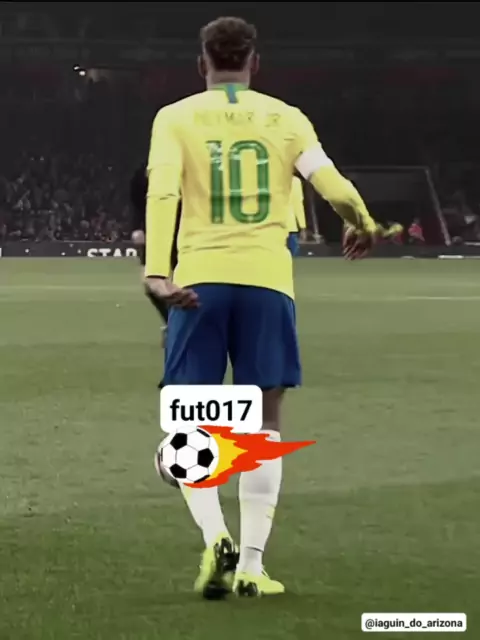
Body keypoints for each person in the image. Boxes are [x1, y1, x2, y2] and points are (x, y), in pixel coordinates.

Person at [144, 16, 378, 599]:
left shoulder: (174, 117)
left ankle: (215, 537)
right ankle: (252, 567)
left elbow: (163, 191)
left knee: (190, 425)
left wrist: (156, 271)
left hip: (199, 280)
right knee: (265, 423)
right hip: (268, 282)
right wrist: (363, 222)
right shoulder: (287, 118)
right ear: (254, 62)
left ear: (202, 62)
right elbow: (333, 185)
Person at [130, 163, 179, 346]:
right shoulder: (143, 171)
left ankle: (180, 327)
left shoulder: (182, 166)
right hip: (156, 231)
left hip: (184, 230)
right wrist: (137, 227)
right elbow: (137, 203)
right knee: (149, 283)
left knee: (185, 282)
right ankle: (173, 324)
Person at [287, 175, 307, 256]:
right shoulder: (295, 181)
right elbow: (298, 205)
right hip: (290, 226)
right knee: (294, 258)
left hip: (273, 226)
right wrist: (303, 227)